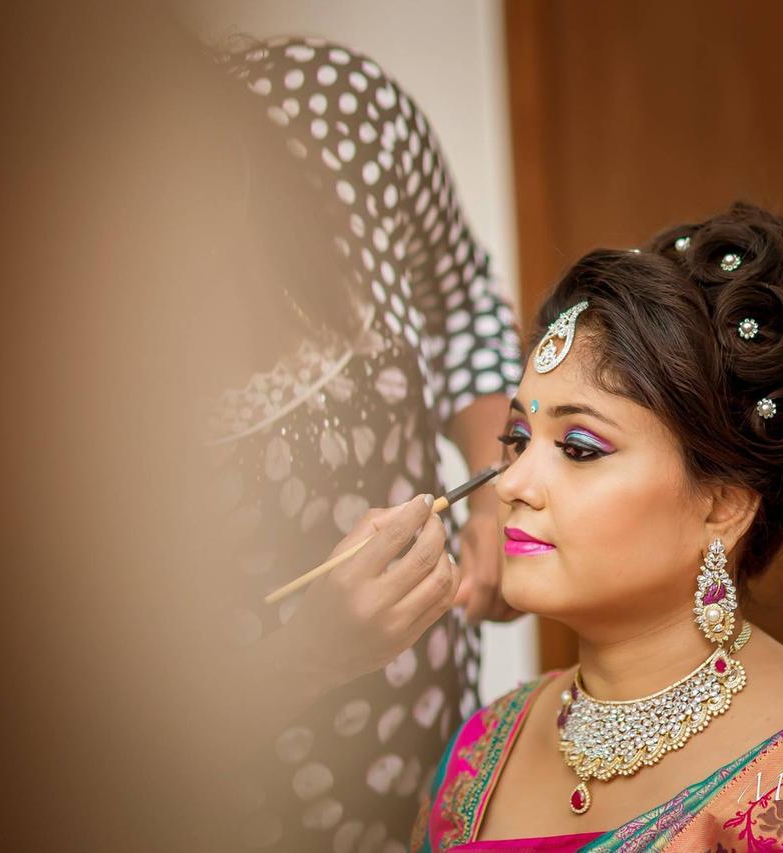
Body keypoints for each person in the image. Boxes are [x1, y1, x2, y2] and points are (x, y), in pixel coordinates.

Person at [411, 204, 783, 851]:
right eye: (516, 438)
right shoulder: (483, 752)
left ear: (723, 505)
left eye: (580, 446)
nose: (510, 484)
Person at [178, 34, 524, 851]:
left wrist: (492, 496)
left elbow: (459, 301)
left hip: (436, 752)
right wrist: (302, 660)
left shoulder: (342, 117)